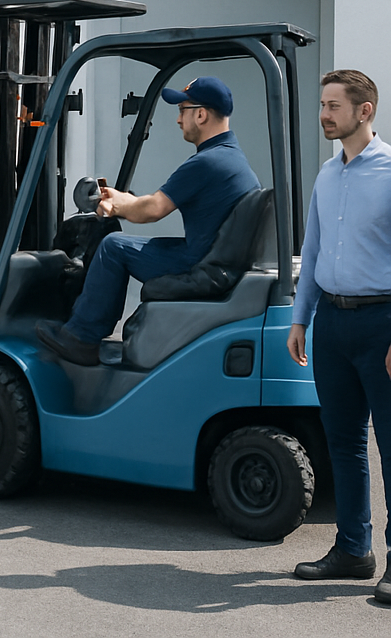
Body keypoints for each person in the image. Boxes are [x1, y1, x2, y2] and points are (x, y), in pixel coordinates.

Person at [36, 75, 259, 366]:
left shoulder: (206, 163)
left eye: (182, 110)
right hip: (214, 258)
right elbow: (148, 203)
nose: (179, 119)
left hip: (200, 262)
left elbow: (152, 209)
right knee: (122, 242)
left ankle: (82, 337)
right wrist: (119, 200)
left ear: (201, 114)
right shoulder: (230, 157)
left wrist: (116, 206)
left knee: (113, 246)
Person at [287, 69, 391, 604]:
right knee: (345, 441)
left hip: (383, 323)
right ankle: (353, 550)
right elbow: (315, 245)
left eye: (333, 105)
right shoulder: (328, 175)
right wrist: (301, 318)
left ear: (363, 110)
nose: (324, 113)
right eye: (323, 103)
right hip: (331, 320)